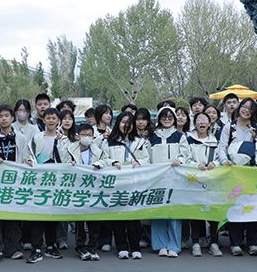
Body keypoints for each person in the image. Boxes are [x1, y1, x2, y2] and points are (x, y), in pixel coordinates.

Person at [218, 98, 257, 255]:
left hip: (252, 173)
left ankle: (253, 242)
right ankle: (235, 242)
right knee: (236, 205)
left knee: (253, 205)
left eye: (250, 109)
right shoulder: (229, 127)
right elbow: (222, 146)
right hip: (234, 172)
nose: (246, 110)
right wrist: (224, 160)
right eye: (244, 107)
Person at [0, 105, 33, 262]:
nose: (3, 119)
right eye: (0, 116)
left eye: (6, 116)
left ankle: (13, 248)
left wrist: (28, 161)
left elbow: (26, 157)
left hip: (15, 182)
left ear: (12, 118)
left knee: (13, 215)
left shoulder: (22, 138)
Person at [101, 111, 148, 259]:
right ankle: (121, 247)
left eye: (129, 123)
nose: (126, 125)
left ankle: (135, 247)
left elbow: (147, 159)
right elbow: (103, 158)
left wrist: (139, 162)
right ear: (118, 123)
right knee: (118, 216)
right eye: (123, 122)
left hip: (134, 183)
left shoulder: (140, 142)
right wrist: (113, 162)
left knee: (134, 217)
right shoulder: (109, 141)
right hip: (117, 184)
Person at [149, 105, 190, 258]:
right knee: (158, 212)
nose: (167, 119)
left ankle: (174, 245)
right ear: (159, 119)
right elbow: (147, 157)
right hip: (157, 180)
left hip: (175, 179)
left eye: (170, 117)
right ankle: (160, 244)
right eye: (164, 117)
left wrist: (180, 160)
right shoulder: (152, 137)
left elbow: (186, 154)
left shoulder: (180, 136)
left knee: (174, 212)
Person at [28, 107, 66, 262]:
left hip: (56, 183)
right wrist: (30, 161)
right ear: (43, 120)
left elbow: (66, 158)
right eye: (48, 118)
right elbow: (31, 155)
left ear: (58, 121)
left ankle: (51, 246)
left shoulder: (63, 139)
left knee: (52, 215)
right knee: (38, 216)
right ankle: (36, 248)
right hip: (39, 182)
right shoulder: (37, 138)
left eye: (54, 118)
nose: (51, 121)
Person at [68, 123, 106, 261]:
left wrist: (102, 163)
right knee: (80, 221)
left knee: (94, 220)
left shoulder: (98, 151)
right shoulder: (69, 149)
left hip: (94, 188)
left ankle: (92, 247)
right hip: (77, 189)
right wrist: (69, 164)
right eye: (83, 134)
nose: (86, 137)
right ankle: (81, 247)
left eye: (89, 135)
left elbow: (106, 160)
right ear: (77, 136)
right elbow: (62, 162)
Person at [184, 111, 219, 256]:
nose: (202, 122)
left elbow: (221, 157)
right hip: (194, 180)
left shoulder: (215, 140)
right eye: (199, 119)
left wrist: (215, 163)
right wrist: (196, 165)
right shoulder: (189, 139)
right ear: (195, 123)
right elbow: (185, 158)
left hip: (212, 180)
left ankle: (214, 242)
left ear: (210, 123)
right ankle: (196, 242)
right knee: (196, 211)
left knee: (214, 212)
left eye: (205, 120)